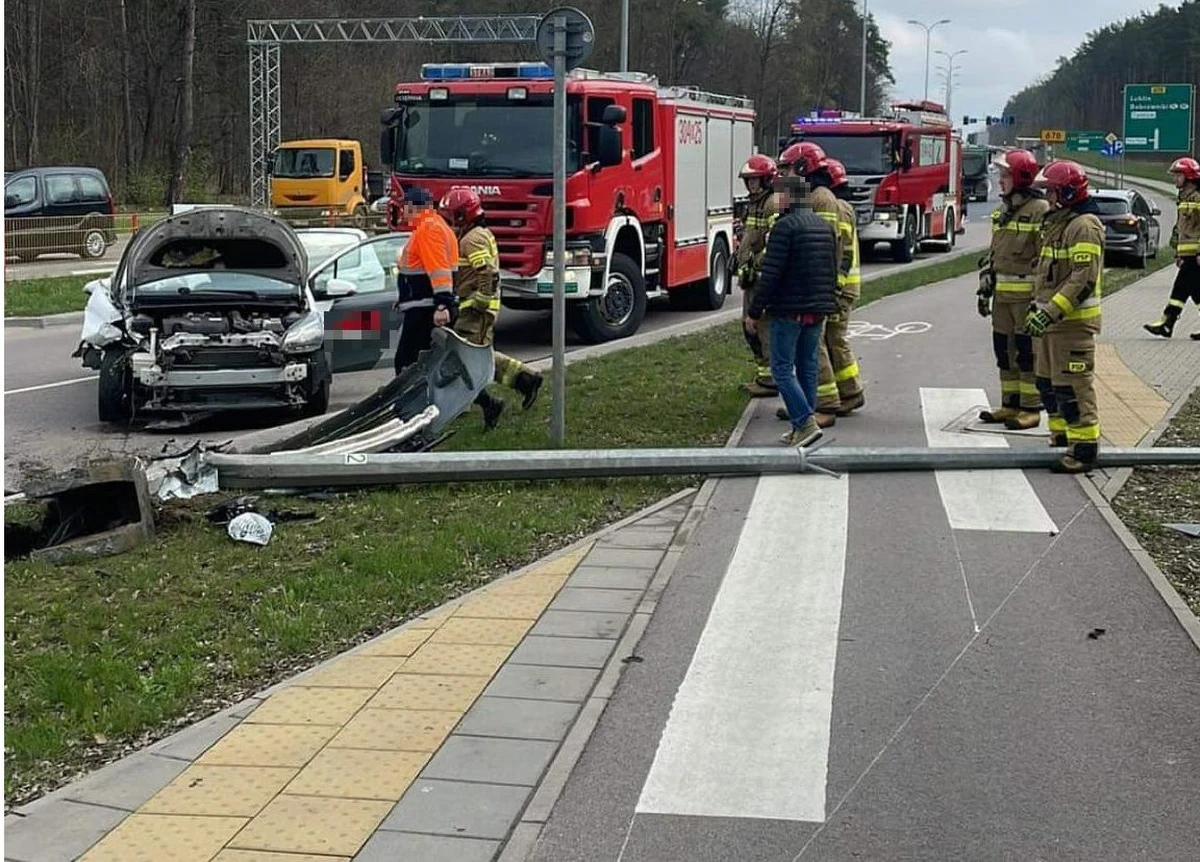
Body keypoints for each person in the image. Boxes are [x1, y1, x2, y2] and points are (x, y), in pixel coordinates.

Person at [746, 175, 839, 448]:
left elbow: (771, 274)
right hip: (817, 308)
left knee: (782, 369)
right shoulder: (823, 226)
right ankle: (803, 425)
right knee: (807, 366)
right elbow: (831, 267)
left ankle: (804, 422)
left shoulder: (785, 228)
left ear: (787, 198)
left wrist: (754, 311)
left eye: (779, 196)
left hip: (789, 309)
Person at [438, 188, 543, 429]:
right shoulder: (477, 234)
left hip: (474, 311)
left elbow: (486, 271)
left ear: (463, 215)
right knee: (478, 357)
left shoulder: (471, 239)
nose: (449, 221)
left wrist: (481, 300)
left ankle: (486, 403)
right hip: (474, 310)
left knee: (462, 361)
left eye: (451, 216)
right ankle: (525, 381)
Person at [1027, 160, 1105, 473]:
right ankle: (1062, 436)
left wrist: (1050, 311)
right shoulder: (1058, 224)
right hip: (1053, 325)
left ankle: (1084, 449)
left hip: (1072, 325)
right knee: (1049, 383)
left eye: (1052, 191)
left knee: (1073, 387)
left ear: (1069, 191)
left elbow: (1082, 279)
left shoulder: (1083, 226)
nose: (1048, 197)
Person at [976, 148, 1051, 430]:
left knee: (1026, 353)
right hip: (1002, 299)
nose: (1000, 180)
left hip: (1025, 299)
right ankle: (1010, 405)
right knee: (1003, 351)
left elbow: (1046, 259)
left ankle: (1030, 408)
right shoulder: (1003, 211)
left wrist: (1039, 301)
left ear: (1020, 177)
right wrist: (985, 284)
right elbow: (994, 252)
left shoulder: (1039, 211)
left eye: (1005, 174)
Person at [392, 185, 459, 377]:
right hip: (426, 306)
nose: (402, 212)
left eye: (404, 207)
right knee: (437, 363)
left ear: (412, 208)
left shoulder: (428, 230)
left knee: (408, 363)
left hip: (426, 310)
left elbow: (439, 270)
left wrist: (441, 305)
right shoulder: (433, 226)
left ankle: (410, 404)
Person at [733, 154, 780, 397]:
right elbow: (750, 236)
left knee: (762, 327)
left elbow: (774, 243)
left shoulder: (773, 203)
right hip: (750, 279)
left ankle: (771, 380)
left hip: (763, 278)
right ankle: (763, 377)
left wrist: (755, 262)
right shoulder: (753, 203)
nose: (752, 185)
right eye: (749, 180)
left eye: (756, 180)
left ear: (767, 180)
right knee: (749, 329)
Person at [1143, 156, 1200, 339]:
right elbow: (1181, 228)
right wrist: (1178, 252)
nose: (1175, 179)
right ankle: (1167, 324)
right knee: (1186, 290)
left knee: (1187, 288)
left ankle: (1167, 322)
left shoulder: (1197, 198)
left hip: (1196, 254)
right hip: (1187, 254)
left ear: (1189, 176)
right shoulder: (1184, 197)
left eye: (1178, 175)